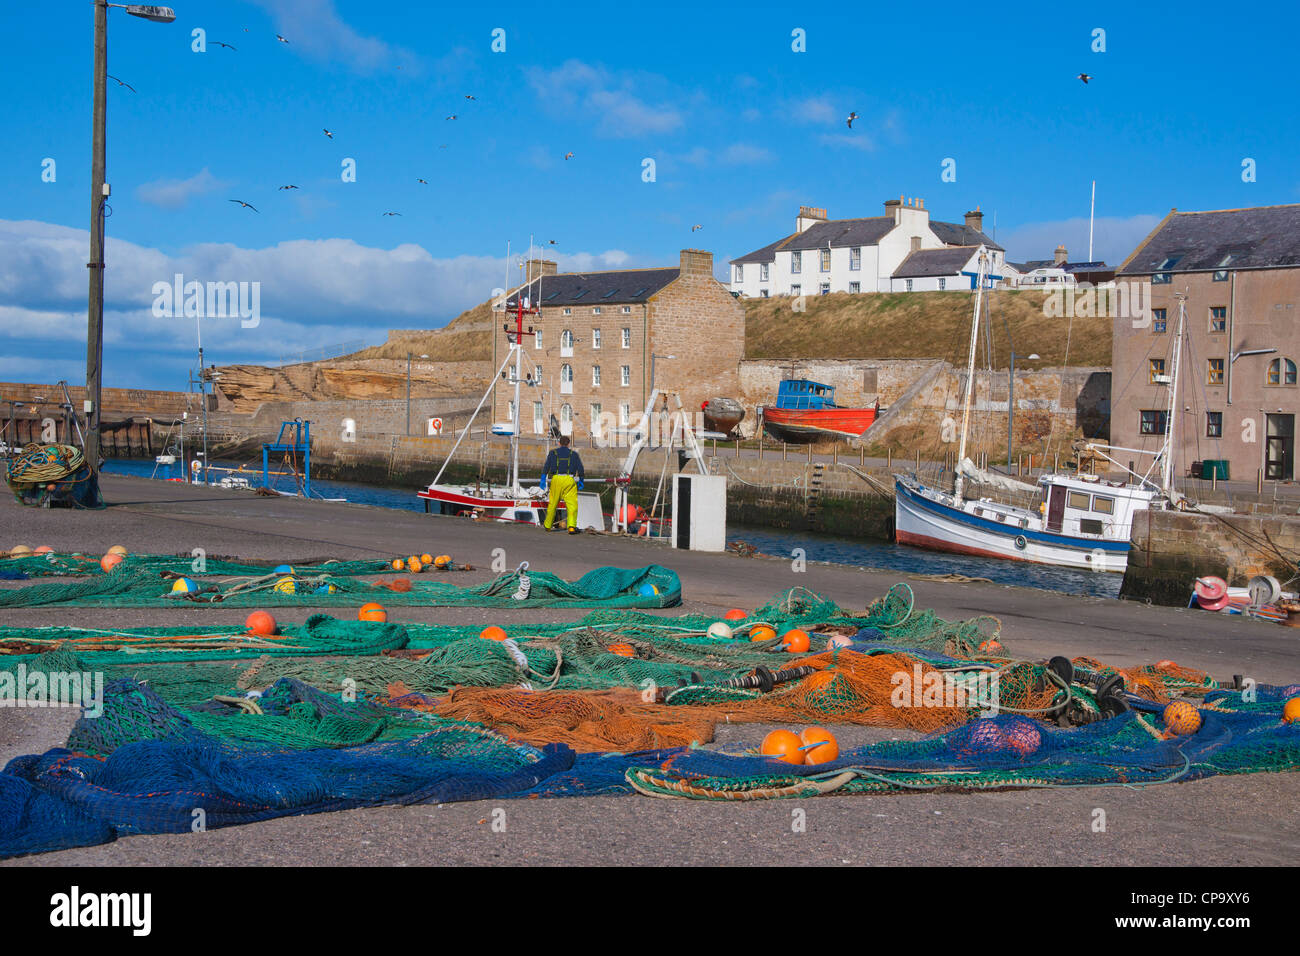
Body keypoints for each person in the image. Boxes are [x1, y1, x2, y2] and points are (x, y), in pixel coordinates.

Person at [540, 435, 585, 533]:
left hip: (556, 479)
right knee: (572, 504)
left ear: (559, 443)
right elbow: (580, 468)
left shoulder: (553, 453)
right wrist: (581, 480)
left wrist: (543, 478)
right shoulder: (574, 454)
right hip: (569, 479)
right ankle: (572, 526)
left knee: (553, 503)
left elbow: (546, 466)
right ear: (569, 444)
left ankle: (548, 525)